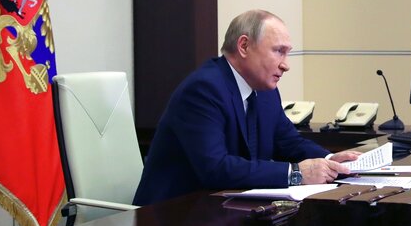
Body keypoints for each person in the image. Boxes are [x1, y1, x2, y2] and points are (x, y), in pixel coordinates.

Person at [133, 10, 361, 205]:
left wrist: (331, 160)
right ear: (244, 46)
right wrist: (296, 174)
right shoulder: (203, 89)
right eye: (278, 51)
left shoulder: (265, 90)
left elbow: (288, 142)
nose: (286, 65)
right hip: (171, 219)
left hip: (224, 210)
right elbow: (216, 168)